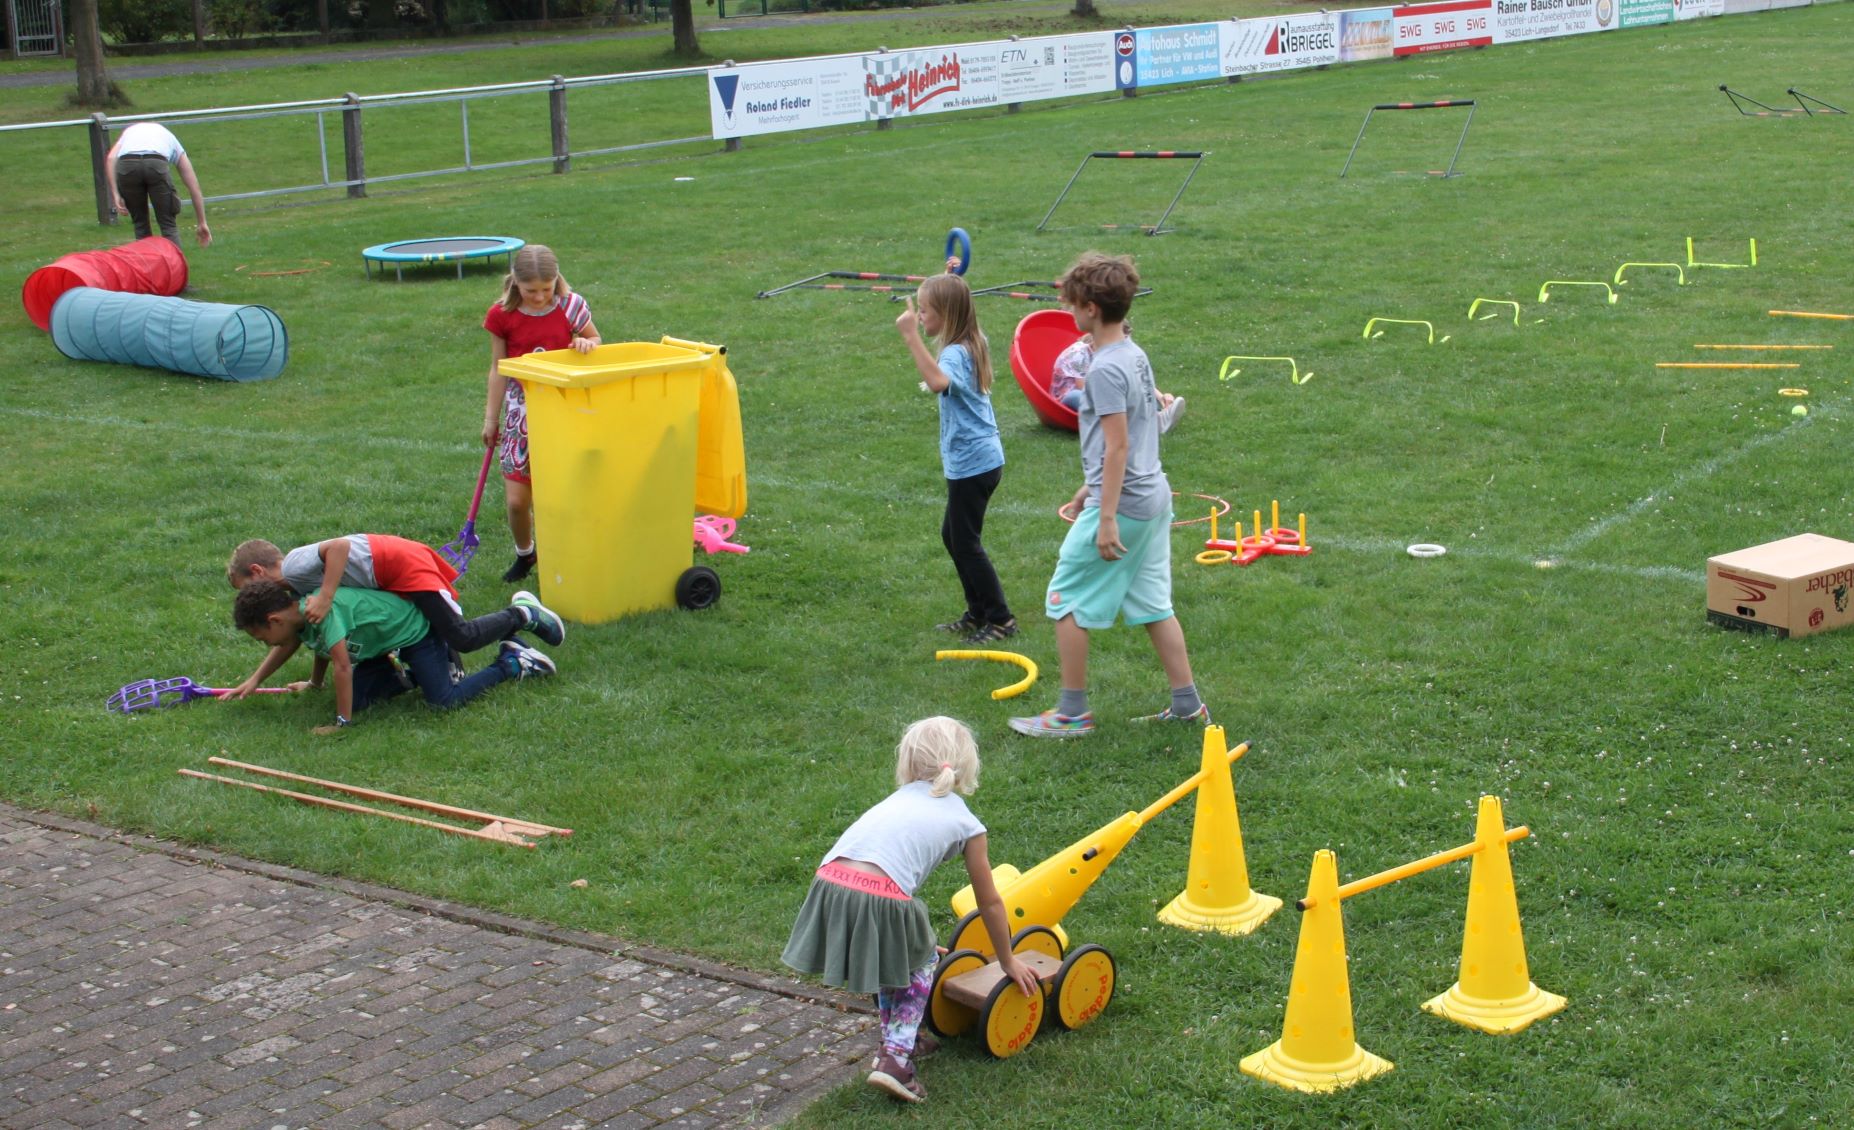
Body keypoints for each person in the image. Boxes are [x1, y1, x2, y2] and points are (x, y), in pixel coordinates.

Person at [781, 716, 1039, 1104]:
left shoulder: (897, 799)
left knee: (900, 954)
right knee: (922, 964)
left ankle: (902, 1038)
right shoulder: (967, 823)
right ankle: (896, 1059)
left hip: (829, 881)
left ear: (909, 762)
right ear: (966, 764)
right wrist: (1007, 960)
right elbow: (988, 902)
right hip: (879, 892)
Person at [1009, 253, 1208, 739]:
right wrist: (1091, 486)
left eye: (1072, 303)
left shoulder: (1103, 370)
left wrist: (1106, 516)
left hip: (1127, 506)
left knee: (1065, 597)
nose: (1068, 310)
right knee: (1154, 604)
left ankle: (1071, 714)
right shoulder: (1133, 354)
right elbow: (1138, 431)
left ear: (1092, 309)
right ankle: (1188, 705)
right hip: (1153, 495)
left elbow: (1118, 444)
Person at [223, 535, 563, 699]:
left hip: (401, 568)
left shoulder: (294, 567)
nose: (248, 597)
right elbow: (306, 636)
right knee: (426, 632)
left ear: (257, 571)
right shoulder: (294, 594)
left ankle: (522, 613)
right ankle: (439, 665)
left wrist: (326, 595)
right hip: (389, 583)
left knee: (462, 635)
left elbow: (339, 547)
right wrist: (259, 679)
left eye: (245, 587)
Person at [232, 579, 555, 734]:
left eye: (262, 638)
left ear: (275, 620)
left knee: (444, 701)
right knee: (358, 699)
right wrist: (258, 680)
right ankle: (415, 675)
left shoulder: (320, 612)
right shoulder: (299, 622)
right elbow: (308, 647)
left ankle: (513, 661)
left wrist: (342, 723)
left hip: (416, 633)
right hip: (381, 647)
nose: (266, 644)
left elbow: (341, 666)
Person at [895, 269, 1017, 644]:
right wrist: (948, 277)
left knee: (965, 542)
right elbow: (952, 302)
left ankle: (1001, 619)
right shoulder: (970, 339)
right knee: (953, 536)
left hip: (973, 463)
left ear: (946, 315)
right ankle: (977, 611)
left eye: (925, 311)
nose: (920, 317)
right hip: (979, 458)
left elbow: (936, 382)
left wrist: (911, 337)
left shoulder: (953, 354)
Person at [483, 245, 601, 583]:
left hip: (565, 410)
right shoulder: (501, 314)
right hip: (521, 413)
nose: (539, 297)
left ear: (556, 280)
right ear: (515, 282)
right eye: (530, 290)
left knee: (564, 493)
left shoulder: (570, 306)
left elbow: (595, 338)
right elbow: (498, 368)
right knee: (517, 501)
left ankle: (571, 552)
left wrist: (587, 344)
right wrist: (491, 418)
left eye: (546, 289)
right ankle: (526, 553)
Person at [1050, 324, 1186, 433]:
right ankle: (1153, 421)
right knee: (1081, 396)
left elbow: (1138, 379)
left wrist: (1162, 397)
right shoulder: (1079, 354)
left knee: (1139, 392)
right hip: (1069, 399)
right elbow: (1085, 389)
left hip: (1101, 394)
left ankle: (1157, 415)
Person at [105, 121, 211, 248]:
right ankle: (174, 259)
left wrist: (115, 193)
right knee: (168, 225)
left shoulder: (128, 133)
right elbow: (194, 187)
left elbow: (110, 158)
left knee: (140, 225)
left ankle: (146, 260)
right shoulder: (171, 139)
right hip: (156, 162)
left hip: (127, 164)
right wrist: (202, 222)